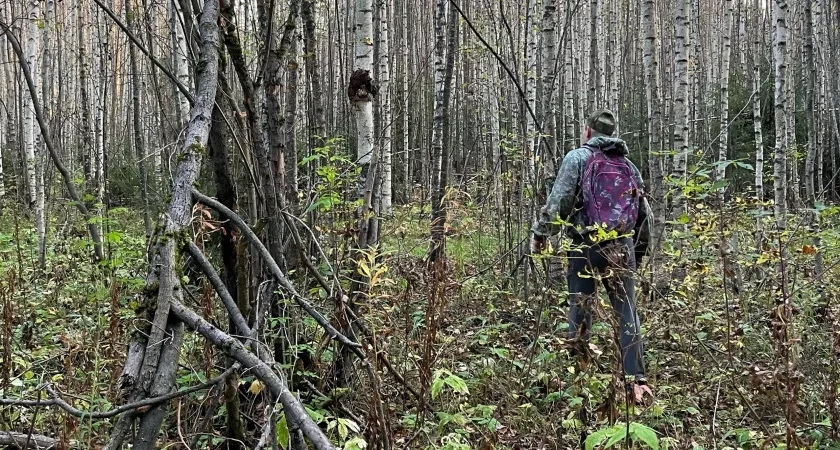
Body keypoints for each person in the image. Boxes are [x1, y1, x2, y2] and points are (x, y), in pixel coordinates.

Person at [530, 109, 653, 401]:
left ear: (588, 132)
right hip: (621, 246)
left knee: (580, 307)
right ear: (612, 134)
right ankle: (636, 382)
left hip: (584, 245)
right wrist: (636, 250)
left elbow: (559, 201)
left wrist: (540, 233)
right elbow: (644, 214)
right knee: (627, 312)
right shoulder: (629, 166)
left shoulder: (577, 158)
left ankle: (578, 375)